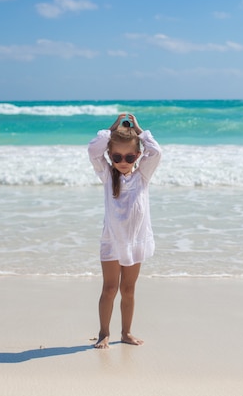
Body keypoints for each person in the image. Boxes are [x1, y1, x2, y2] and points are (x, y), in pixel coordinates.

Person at [87, 113, 162, 349]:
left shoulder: (143, 175)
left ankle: (126, 332)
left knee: (128, 290)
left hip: (135, 242)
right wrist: (111, 130)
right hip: (111, 241)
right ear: (110, 155)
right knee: (109, 289)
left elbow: (157, 152)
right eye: (117, 156)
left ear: (138, 156)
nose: (123, 161)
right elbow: (93, 150)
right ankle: (103, 333)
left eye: (129, 157)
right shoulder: (107, 175)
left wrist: (139, 130)